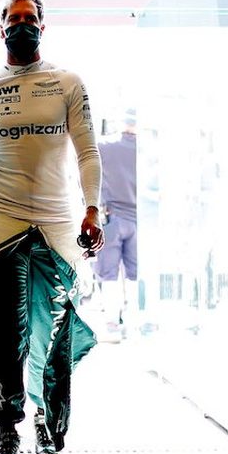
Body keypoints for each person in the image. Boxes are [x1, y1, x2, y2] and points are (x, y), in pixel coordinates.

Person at [0, 0, 102, 454]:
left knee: (51, 326)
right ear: (1, 29)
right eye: (13, 19)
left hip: (58, 221)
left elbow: (87, 151)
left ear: (43, 25)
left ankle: (45, 415)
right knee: (3, 328)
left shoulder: (67, 83)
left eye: (29, 18)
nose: (22, 25)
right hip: (0, 219)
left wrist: (93, 210)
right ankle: (8, 429)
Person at [95, 109, 139, 334]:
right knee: (135, 274)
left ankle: (112, 320)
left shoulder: (105, 146)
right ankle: (134, 318)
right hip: (139, 219)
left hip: (112, 217)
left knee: (108, 272)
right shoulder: (145, 152)